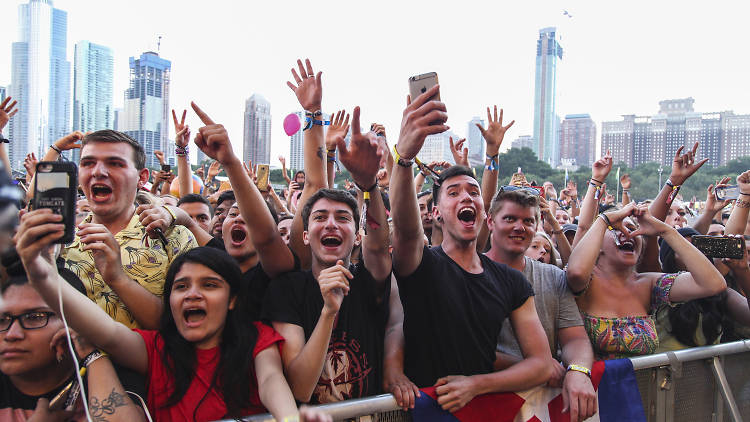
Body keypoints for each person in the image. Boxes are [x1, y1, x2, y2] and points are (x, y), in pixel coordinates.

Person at [15, 211, 329, 422]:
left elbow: (271, 381)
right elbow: (105, 331)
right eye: (181, 286)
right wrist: (40, 271)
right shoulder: (155, 349)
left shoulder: (257, 338)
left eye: (209, 285)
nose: (193, 294)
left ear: (233, 300)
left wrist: (289, 420)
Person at [389, 91, 551, 413]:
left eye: (473, 192)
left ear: (483, 210)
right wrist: (404, 157)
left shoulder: (511, 282)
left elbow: (541, 364)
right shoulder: (422, 264)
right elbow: (407, 230)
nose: (466, 197)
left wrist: (476, 385)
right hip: (424, 413)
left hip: (483, 411)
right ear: (435, 213)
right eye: (453, 192)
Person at [262, 95, 391, 404]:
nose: (331, 224)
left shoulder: (370, 280)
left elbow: (380, 242)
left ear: (357, 236)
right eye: (320, 217)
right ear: (305, 236)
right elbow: (299, 389)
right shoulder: (286, 290)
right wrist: (328, 312)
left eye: (343, 218)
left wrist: (369, 184)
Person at [62, 130, 198, 329]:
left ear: (141, 178)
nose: (98, 172)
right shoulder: (60, 245)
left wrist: (118, 279)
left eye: (115, 163)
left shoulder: (173, 236)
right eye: (88, 163)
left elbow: (184, 323)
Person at [484, 187, 597, 422]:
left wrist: (578, 371)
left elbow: (575, 338)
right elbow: (468, 350)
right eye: (510, 218)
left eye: (528, 220)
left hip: (544, 407)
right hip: (488, 404)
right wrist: (538, 367)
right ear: (490, 222)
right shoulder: (468, 275)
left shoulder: (553, 276)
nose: (519, 226)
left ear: (536, 226)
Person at [566, 202, 727, 359]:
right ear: (596, 243)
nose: (626, 233)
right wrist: (603, 220)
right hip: (591, 384)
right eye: (615, 229)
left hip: (642, 384)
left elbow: (713, 284)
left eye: (631, 228)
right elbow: (576, 273)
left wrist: (665, 231)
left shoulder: (648, 283)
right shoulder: (585, 280)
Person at [0, 255, 144, 421]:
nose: (12, 334)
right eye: (2, 320)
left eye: (34, 317)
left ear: (74, 322)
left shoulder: (113, 376)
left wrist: (92, 355)